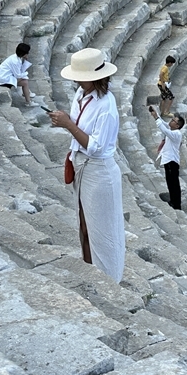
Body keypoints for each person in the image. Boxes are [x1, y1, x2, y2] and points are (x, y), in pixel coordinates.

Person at [48, 48, 125, 282]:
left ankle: (109, 281)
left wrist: (68, 125)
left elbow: (96, 147)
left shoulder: (106, 106)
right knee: (84, 223)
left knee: (102, 232)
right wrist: (64, 120)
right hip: (81, 164)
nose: (76, 80)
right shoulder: (81, 94)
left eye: (80, 76)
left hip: (98, 171)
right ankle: (92, 272)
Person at [149, 106, 184, 210]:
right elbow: (165, 124)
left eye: (173, 121)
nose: (171, 121)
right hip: (169, 160)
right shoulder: (173, 130)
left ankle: (176, 204)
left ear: (177, 125)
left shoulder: (176, 134)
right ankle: (173, 201)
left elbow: (164, 130)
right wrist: (156, 115)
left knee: (173, 183)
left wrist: (156, 118)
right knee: (171, 182)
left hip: (171, 161)